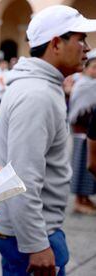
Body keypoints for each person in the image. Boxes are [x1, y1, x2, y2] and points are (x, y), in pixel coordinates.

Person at [0, 5, 96, 275]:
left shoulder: (41, 86)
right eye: (80, 39)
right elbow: (22, 178)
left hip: (30, 230)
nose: (86, 47)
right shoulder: (37, 95)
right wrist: (36, 244)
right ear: (55, 43)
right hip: (31, 235)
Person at [68, 50, 96, 215]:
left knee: (89, 167)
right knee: (81, 166)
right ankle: (79, 200)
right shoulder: (85, 85)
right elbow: (78, 112)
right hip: (82, 132)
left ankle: (86, 198)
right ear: (85, 69)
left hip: (90, 132)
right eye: (93, 67)